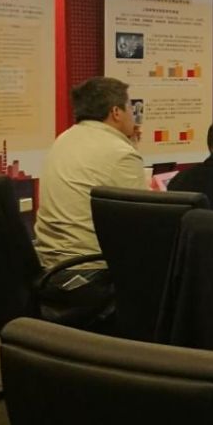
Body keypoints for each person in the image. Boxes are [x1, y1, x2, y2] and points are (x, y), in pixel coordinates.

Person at [34, 77, 146, 278]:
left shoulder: (63, 139)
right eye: (130, 107)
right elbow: (141, 221)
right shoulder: (120, 152)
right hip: (91, 270)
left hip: (50, 267)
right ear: (116, 112)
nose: (133, 114)